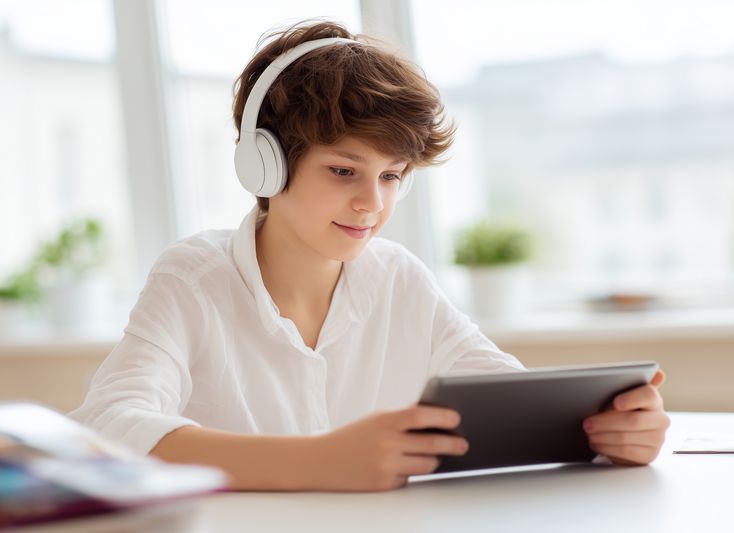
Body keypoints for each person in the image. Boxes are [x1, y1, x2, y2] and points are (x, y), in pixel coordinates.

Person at [70, 20, 669, 492]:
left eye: (391, 175)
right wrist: (318, 461)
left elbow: (505, 398)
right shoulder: (193, 278)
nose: (371, 203)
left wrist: (602, 432)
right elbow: (109, 429)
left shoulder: (398, 278)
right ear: (265, 162)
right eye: (342, 170)